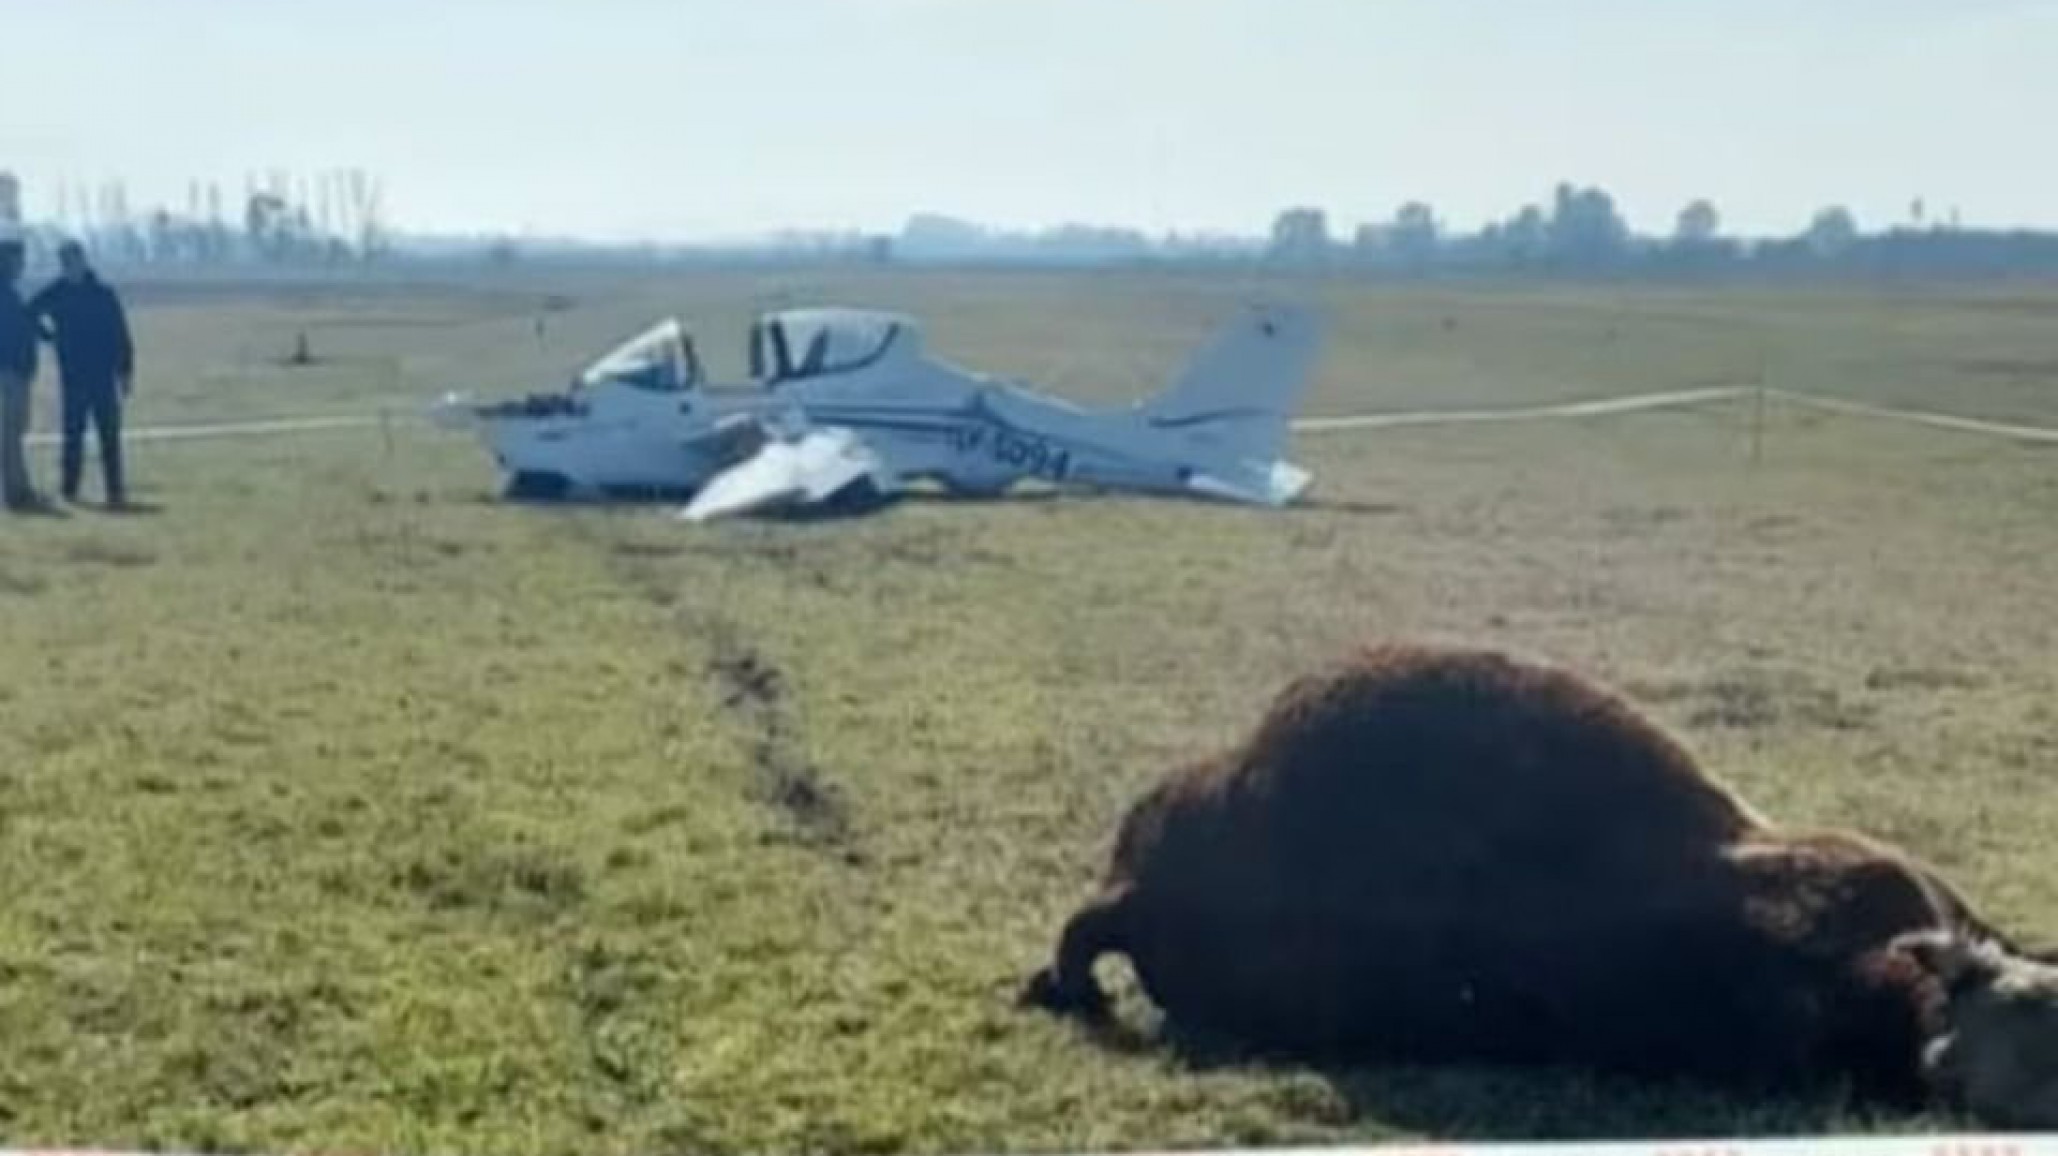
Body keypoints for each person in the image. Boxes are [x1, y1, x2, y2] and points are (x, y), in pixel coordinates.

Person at [31, 240, 134, 507]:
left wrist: (125, 371)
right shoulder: (57, 292)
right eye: (66, 263)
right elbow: (29, 314)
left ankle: (115, 490)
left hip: (103, 374)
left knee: (109, 434)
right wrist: (49, 337)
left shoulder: (103, 294)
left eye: (75, 261)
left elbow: (120, 334)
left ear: (83, 261)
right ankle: (70, 489)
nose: (71, 267)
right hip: (73, 376)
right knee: (73, 435)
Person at [0, 231, 39, 510]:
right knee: (12, 431)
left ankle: (18, 487)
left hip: (16, 371)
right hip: (11, 372)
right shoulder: (5, 294)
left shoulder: (11, 293)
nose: (22, 265)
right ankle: (16, 491)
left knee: (14, 431)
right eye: (19, 259)